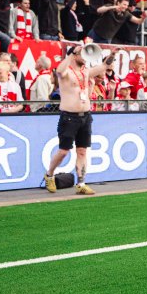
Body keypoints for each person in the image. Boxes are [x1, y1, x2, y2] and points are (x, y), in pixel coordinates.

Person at [44, 46, 108, 196]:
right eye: (82, 53)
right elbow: (59, 71)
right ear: (73, 55)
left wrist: (112, 54)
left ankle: (81, 183)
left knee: (82, 151)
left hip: (85, 116)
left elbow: (104, 66)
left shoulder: (85, 72)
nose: (85, 56)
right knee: (63, 151)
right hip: (69, 117)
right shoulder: (65, 72)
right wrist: (72, 54)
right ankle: (49, 174)